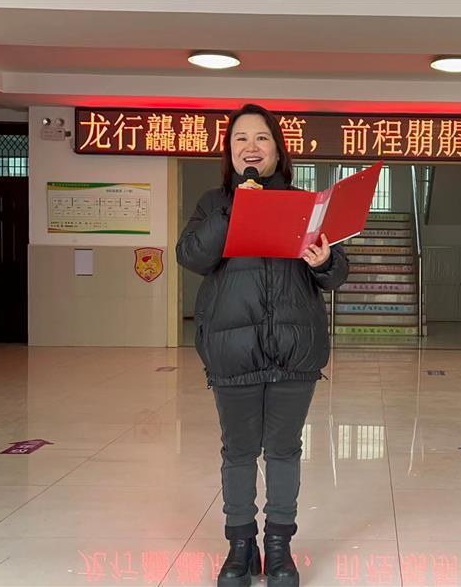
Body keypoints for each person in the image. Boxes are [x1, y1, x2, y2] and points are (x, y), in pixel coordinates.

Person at [176, 103, 349, 587]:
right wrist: (236, 207)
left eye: (261, 138)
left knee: (284, 451)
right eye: (240, 139)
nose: (250, 147)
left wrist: (323, 261)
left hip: (295, 349)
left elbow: (337, 272)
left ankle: (278, 547)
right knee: (238, 451)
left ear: (277, 149)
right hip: (234, 350)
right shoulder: (214, 203)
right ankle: (239, 547)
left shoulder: (306, 204)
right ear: (229, 152)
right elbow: (191, 255)